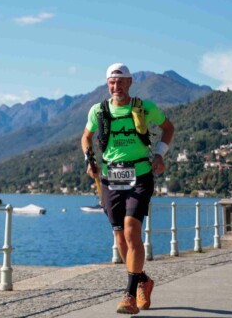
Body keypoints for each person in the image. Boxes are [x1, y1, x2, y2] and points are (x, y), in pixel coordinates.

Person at [81, 63, 174, 314]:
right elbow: (86, 137)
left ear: (130, 82)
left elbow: (168, 128)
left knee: (132, 230)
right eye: (112, 82)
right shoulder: (98, 110)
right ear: (107, 84)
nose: (116, 86)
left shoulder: (145, 108)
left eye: (121, 82)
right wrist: (90, 160)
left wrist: (159, 154)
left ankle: (129, 296)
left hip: (140, 175)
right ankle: (142, 280)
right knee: (120, 237)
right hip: (110, 178)